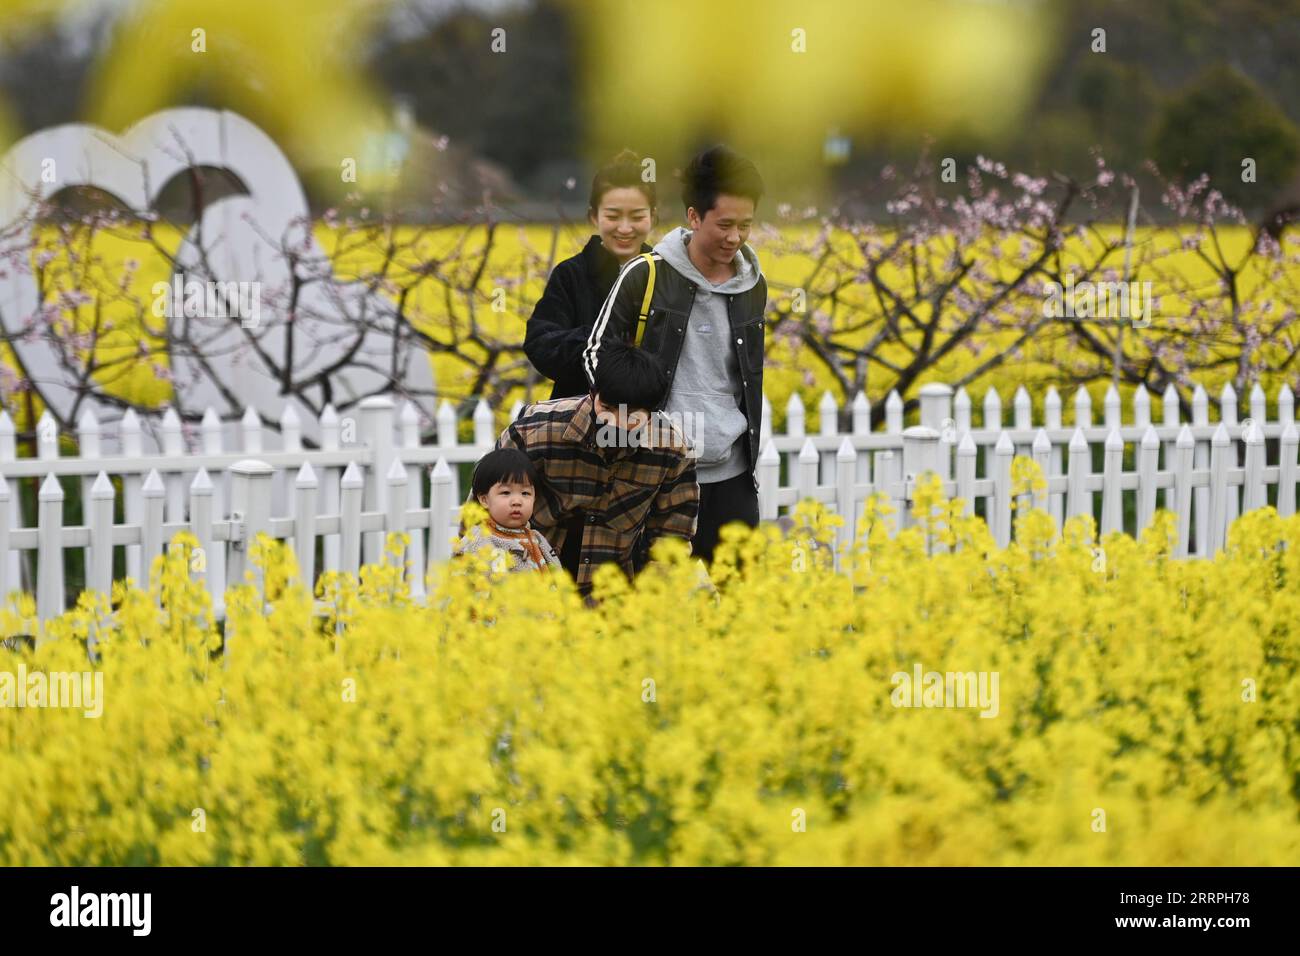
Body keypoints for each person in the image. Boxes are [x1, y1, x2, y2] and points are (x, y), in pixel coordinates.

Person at [583, 144, 767, 563]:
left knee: (738, 603)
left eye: (745, 225)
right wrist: (625, 409)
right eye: (724, 224)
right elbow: (597, 351)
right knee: (658, 607)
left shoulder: (754, 284)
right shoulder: (647, 273)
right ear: (693, 216)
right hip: (656, 473)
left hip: (731, 474)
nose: (734, 237)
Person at [496, 339, 698, 596]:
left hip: (609, 591)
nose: (616, 422)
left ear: (653, 411)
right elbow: (485, 504)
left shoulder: (671, 450)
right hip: (530, 579)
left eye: (631, 415)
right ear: (593, 394)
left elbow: (672, 535)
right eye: (607, 409)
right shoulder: (537, 429)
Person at [524, 149, 656, 400]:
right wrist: (601, 342)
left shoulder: (666, 275)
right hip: (579, 422)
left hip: (652, 421)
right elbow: (540, 343)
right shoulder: (570, 275)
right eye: (613, 216)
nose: (625, 228)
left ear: (653, 217)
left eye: (637, 216)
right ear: (593, 217)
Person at [453, 448, 562, 574]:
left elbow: (557, 573)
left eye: (525, 493)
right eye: (506, 492)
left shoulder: (538, 539)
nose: (517, 501)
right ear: (484, 500)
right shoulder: (478, 540)